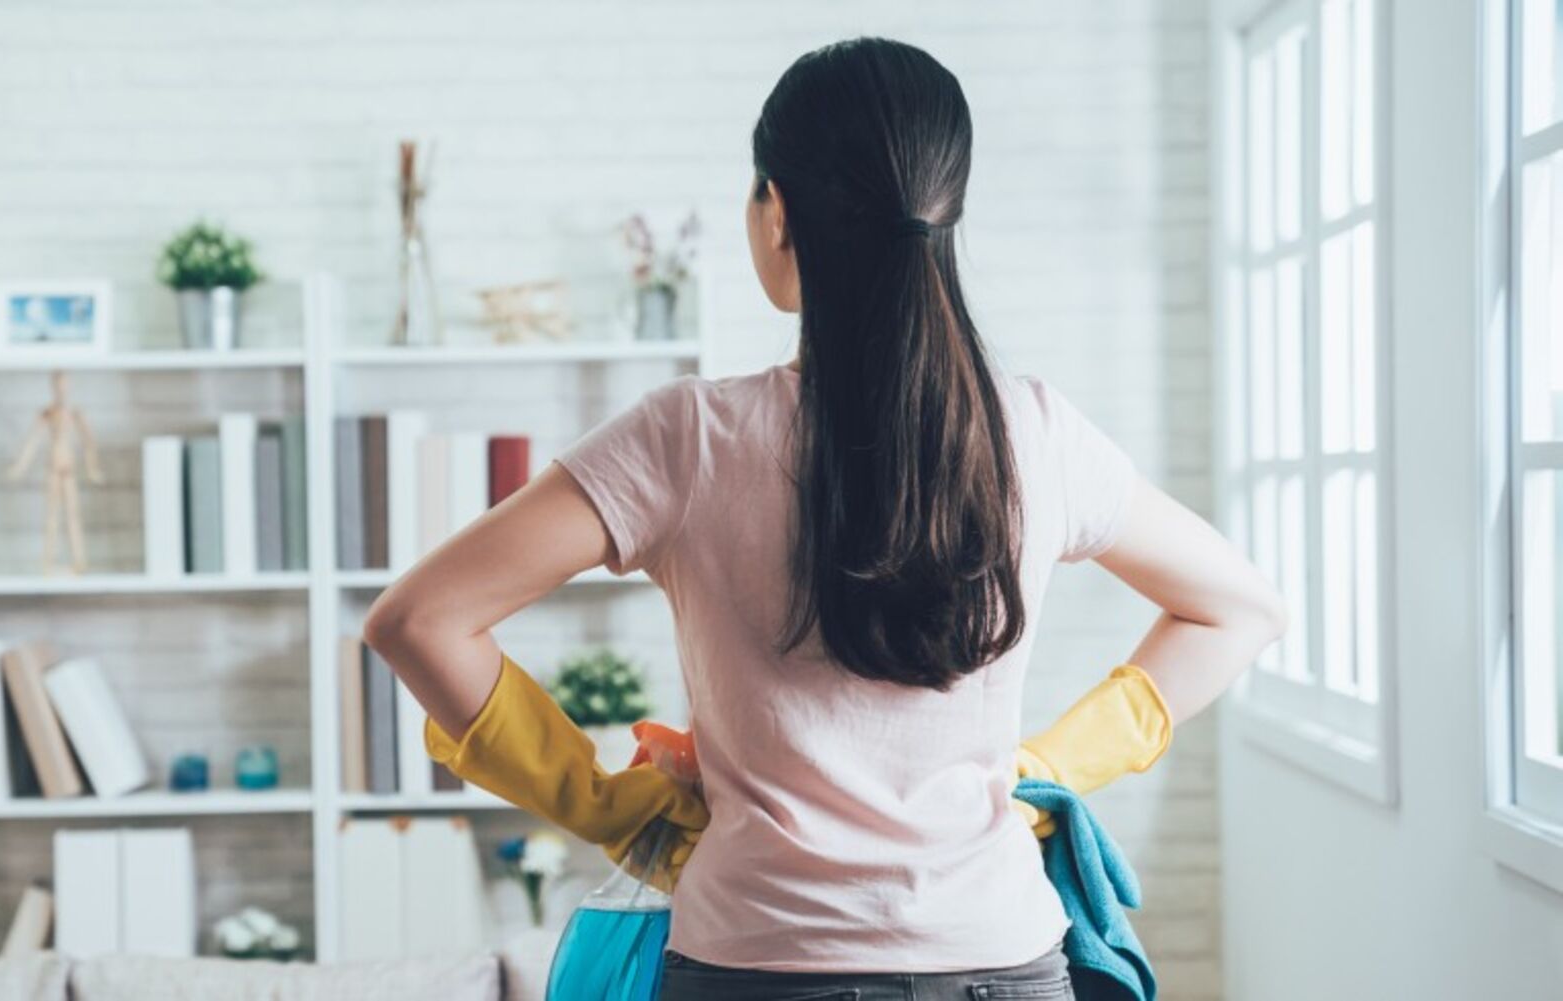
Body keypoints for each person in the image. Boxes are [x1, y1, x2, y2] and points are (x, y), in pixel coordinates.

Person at [364, 36, 1284, 1001]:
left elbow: (419, 620)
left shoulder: (690, 437)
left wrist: (602, 803)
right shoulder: (1038, 432)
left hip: (757, 966)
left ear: (776, 213)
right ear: (947, 216)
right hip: (1003, 959)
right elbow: (1239, 608)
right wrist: (1046, 766)